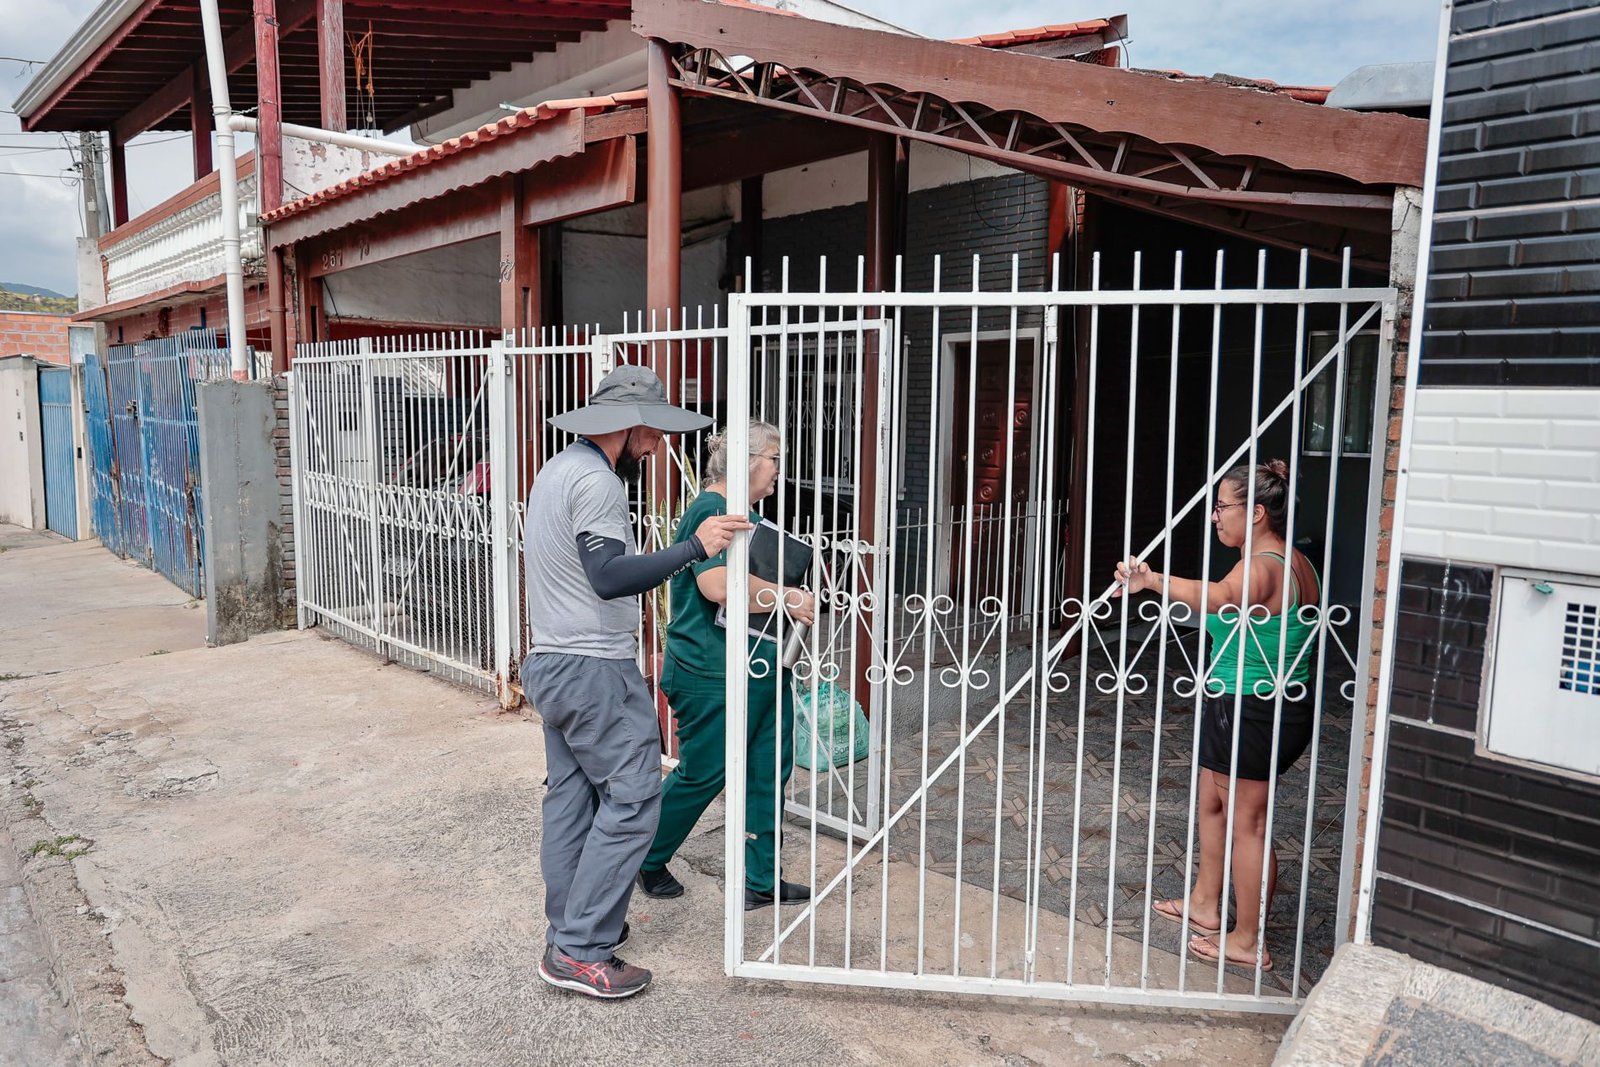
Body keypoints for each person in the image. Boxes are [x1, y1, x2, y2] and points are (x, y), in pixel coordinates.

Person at [522, 364, 751, 1000]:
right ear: (628, 426)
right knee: (633, 800)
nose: (657, 446)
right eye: (653, 433)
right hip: (591, 667)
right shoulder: (597, 482)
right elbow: (608, 576)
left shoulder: (556, 470)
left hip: (553, 659)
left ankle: (570, 928)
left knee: (573, 801)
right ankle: (580, 950)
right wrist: (694, 548)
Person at [1113, 459, 1320, 974]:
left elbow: (1224, 598)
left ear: (1254, 513)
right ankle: (1206, 904)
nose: (1214, 517)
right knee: (1213, 801)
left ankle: (1249, 939)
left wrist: (1151, 580)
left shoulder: (1263, 566)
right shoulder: (1283, 558)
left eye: (1222, 507)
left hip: (1255, 706)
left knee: (1246, 821)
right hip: (1247, 699)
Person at [636, 420, 817, 911]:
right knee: (705, 771)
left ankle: (761, 879)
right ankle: (645, 858)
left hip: (757, 665)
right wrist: (789, 596)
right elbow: (716, 585)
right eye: (775, 458)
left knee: (767, 769)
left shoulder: (739, 510)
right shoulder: (711, 508)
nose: (780, 469)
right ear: (748, 463)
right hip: (711, 670)